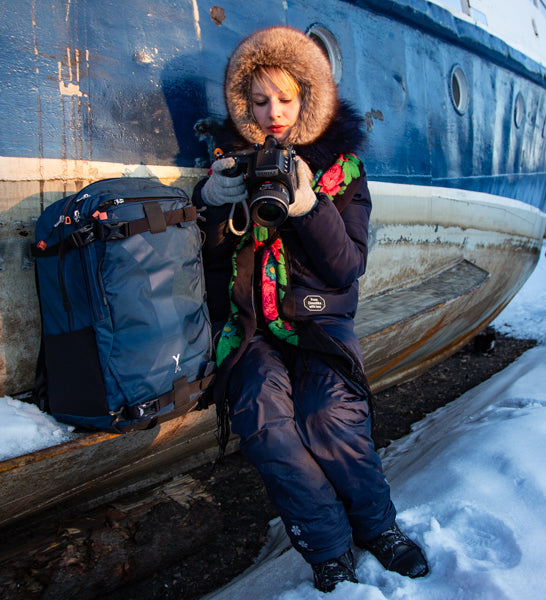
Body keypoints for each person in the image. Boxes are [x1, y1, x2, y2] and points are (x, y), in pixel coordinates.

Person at [193, 26, 429, 592]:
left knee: (328, 416)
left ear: (306, 97)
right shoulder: (231, 162)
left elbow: (347, 267)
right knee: (263, 417)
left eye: (285, 98)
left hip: (320, 321)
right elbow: (210, 268)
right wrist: (210, 205)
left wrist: (308, 206)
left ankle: (378, 527)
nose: (273, 112)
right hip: (252, 328)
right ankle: (326, 544)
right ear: (243, 104)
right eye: (259, 100)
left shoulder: (342, 171)